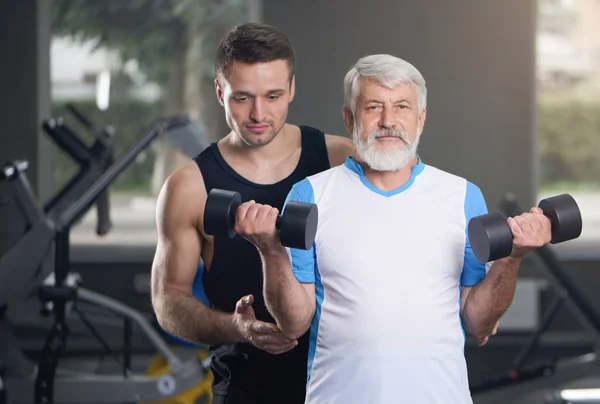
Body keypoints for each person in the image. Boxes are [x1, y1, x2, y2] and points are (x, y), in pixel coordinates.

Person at [232, 54, 552, 404]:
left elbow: (478, 323)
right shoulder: (310, 196)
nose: (388, 121)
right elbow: (294, 324)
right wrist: (271, 250)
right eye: (373, 107)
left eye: (402, 107)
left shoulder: (462, 196)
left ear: (421, 119)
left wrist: (512, 258)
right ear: (350, 118)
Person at [150, 22, 355, 404]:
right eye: (242, 98)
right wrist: (236, 327)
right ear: (219, 91)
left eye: (273, 95)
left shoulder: (340, 161)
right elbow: (168, 300)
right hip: (246, 390)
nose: (259, 113)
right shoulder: (188, 187)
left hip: (343, 385)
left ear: (292, 88)